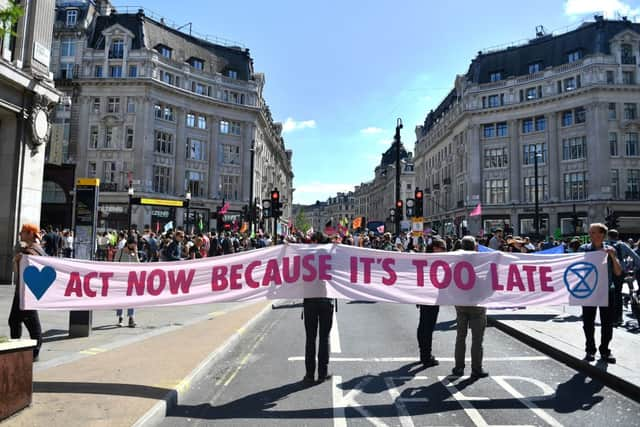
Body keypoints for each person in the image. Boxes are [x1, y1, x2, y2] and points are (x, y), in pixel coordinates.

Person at [579, 223, 622, 363]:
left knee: (607, 323)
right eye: (590, 232)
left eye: (593, 232)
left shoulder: (611, 250)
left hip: (607, 290)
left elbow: (618, 272)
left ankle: (605, 350)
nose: (591, 235)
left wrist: (612, 257)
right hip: (589, 291)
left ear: (602, 234)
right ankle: (590, 350)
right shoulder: (583, 249)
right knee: (588, 322)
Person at [452, 235, 489, 378]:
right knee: (477, 339)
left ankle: (459, 367)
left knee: (460, 336)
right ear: (475, 246)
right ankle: (476, 368)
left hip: (460, 302)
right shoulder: (481, 261)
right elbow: (487, 281)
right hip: (477, 303)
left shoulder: (455, 261)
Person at [9, 223, 46, 360]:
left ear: (30, 234)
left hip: (26, 292)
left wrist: (17, 260)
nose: (20, 234)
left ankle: (33, 351)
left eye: (23, 232)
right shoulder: (37, 249)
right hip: (26, 291)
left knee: (30, 322)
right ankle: (17, 348)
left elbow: (17, 272)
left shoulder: (29, 252)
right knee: (15, 320)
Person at [302, 231, 334, 384]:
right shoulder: (330, 255)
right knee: (324, 338)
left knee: (310, 338)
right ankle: (322, 373)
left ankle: (309, 374)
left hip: (309, 300)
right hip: (325, 299)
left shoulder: (304, 256)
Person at [416, 237, 445, 368]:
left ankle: (424, 353)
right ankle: (426, 356)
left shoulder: (426, 259)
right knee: (427, 327)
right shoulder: (432, 260)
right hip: (430, 298)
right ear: (435, 248)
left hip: (425, 297)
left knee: (423, 325)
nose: (444, 251)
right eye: (442, 248)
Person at [606, 229, 640, 326]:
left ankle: (609, 316)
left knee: (608, 294)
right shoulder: (622, 245)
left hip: (605, 272)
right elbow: (636, 257)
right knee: (618, 294)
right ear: (617, 236)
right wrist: (635, 269)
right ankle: (618, 317)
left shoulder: (604, 245)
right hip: (619, 272)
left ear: (608, 236)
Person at [113, 236, 140, 327]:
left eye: (135, 245)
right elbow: (114, 264)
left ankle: (131, 317)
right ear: (128, 244)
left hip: (132, 279)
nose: (134, 247)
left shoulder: (134, 253)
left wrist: (136, 254)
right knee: (120, 299)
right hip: (121, 279)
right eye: (133, 245)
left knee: (131, 298)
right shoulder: (120, 252)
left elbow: (138, 265)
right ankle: (120, 317)